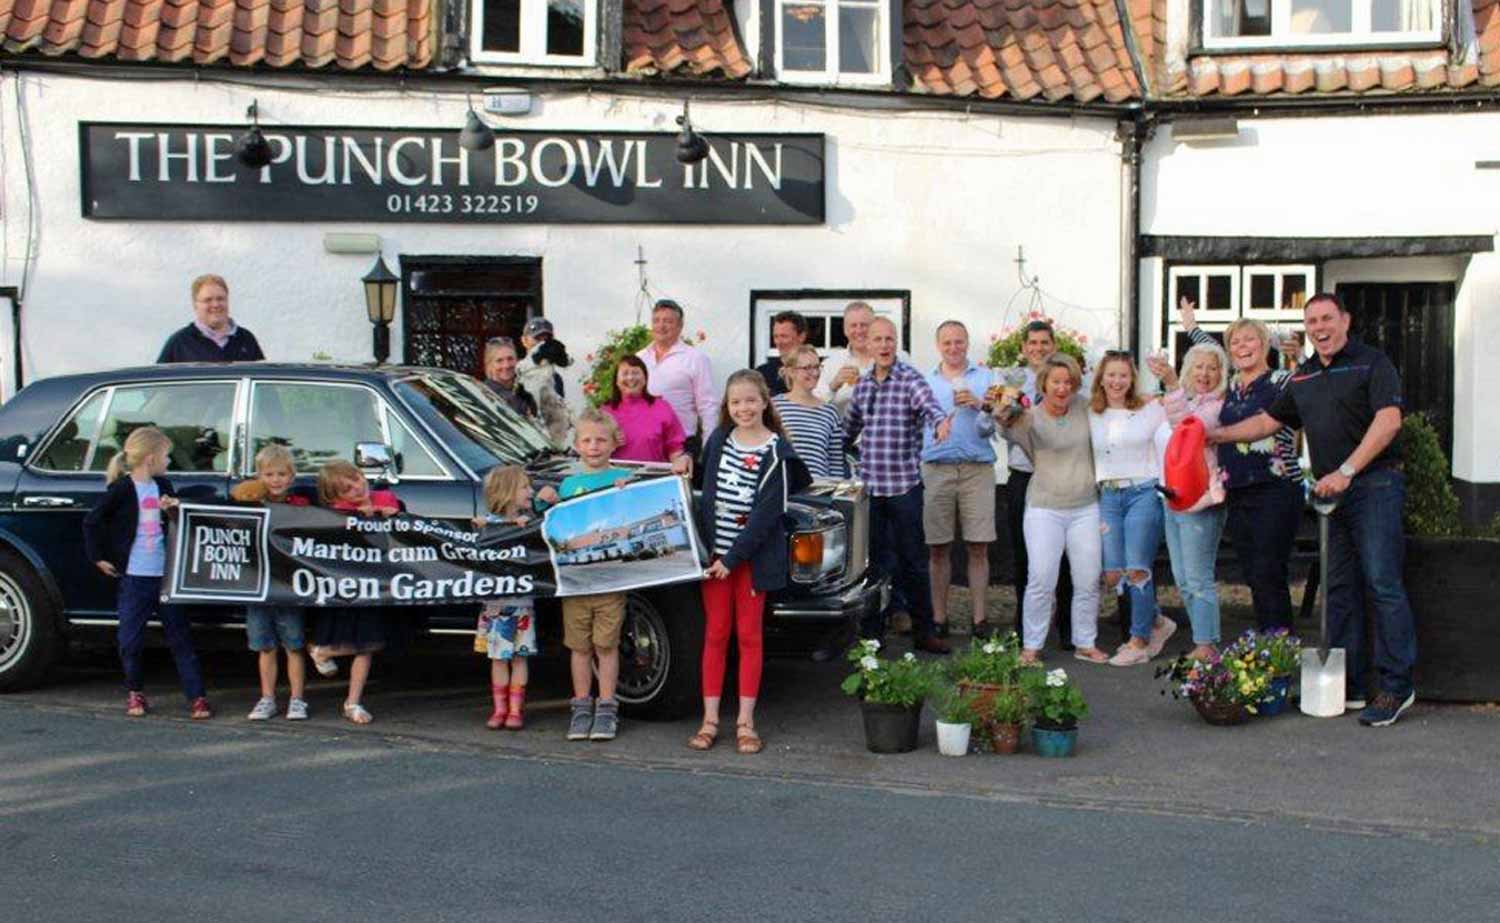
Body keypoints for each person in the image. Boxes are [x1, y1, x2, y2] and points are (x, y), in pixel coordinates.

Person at [1210, 293, 1416, 727]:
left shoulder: (1372, 362)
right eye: (1311, 321)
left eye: (1327, 318)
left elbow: (1389, 421)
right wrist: (1218, 435)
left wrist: (1346, 470)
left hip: (1375, 484)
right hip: (1332, 492)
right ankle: (1353, 684)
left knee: (1382, 582)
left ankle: (1397, 686)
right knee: (1339, 589)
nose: (1320, 327)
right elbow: (1269, 422)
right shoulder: (1302, 377)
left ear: (1345, 320)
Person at [688, 370, 811, 755]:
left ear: (764, 402)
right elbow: (703, 487)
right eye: (736, 402)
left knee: (750, 637)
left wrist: (733, 558)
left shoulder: (776, 451)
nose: (743, 408)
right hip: (715, 559)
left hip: (749, 562)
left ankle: (745, 720)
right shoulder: (719, 440)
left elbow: (766, 515)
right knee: (715, 635)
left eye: (750, 400)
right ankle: (709, 719)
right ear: (728, 406)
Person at [1179, 298, 1304, 631]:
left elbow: (1307, 385)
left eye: (1249, 339)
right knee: (1253, 573)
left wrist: (1300, 355)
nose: (1241, 346)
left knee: (1269, 570)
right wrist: (1191, 327)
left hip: (1276, 489)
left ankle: (1279, 653)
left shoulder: (1282, 381)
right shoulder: (1230, 384)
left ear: (1264, 344)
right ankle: (1269, 648)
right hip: (1239, 491)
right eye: (1235, 341)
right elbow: (1211, 350)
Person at [82, 426, 211, 719]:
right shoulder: (123, 489)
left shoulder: (163, 485)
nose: (169, 462)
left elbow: (175, 521)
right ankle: (135, 691)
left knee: (181, 637)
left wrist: (173, 508)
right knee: (130, 639)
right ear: (151, 458)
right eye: (167, 456)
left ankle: (197, 696)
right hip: (135, 576)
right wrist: (98, 557)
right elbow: (93, 522)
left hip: (165, 576)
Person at [846, 316, 955, 654]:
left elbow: (931, 407)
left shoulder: (910, 379)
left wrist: (940, 424)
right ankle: (873, 635)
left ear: (896, 343)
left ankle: (925, 631)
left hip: (905, 486)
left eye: (889, 339)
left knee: (913, 561)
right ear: (867, 344)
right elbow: (847, 430)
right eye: (877, 339)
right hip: (871, 489)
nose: (883, 345)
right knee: (875, 564)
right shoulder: (863, 387)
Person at [994, 355, 1111, 666]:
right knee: (1041, 579)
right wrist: (1003, 405)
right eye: (1056, 382)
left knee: (1087, 579)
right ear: (1043, 383)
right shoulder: (1029, 416)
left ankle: (1085, 642)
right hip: (1044, 507)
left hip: (1085, 505)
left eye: (1068, 382)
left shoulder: (1085, 408)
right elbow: (1004, 426)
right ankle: (1031, 646)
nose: (1062, 388)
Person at [1088, 352, 1174, 667]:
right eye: (1111, 375)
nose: (1117, 381)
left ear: (1132, 378)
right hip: (1108, 495)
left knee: (1137, 568)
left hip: (1143, 491)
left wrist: (1168, 387)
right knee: (1113, 574)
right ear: (1101, 378)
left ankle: (1138, 640)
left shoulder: (1150, 408)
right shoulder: (1091, 412)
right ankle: (1157, 622)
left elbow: (1180, 417)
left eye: (1123, 375)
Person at [1149, 342, 1230, 662]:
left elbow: (1187, 428)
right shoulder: (1192, 400)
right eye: (1199, 366)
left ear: (1222, 374)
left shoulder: (1217, 406)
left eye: (1212, 368)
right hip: (1175, 496)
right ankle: (1202, 641)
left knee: (1198, 577)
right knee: (1182, 577)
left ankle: (1207, 644)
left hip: (1202, 499)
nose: (1205, 374)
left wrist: (1170, 383)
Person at [557, 408, 635, 742]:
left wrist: (625, 494)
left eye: (601, 440)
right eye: (587, 440)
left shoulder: (622, 481)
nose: (594, 446)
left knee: (606, 645)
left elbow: (633, 521)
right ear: (575, 445)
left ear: (614, 444)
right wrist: (544, 504)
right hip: (576, 582)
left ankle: (607, 707)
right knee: (579, 647)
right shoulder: (568, 485)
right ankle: (581, 707)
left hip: (609, 579)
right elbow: (555, 528)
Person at [307, 460, 401, 725]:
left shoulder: (384, 497)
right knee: (364, 642)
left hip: (377, 584)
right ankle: (324, 651)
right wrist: (363, 518)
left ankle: (353, 701)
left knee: (369, 646)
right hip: (349, 588)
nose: (357, 489)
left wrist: (385, 514)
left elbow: (402, 521)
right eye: (347, 489)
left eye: (357, 480)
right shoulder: (338, 514)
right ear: (336, 497)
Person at [1001, 321, 1076, 648]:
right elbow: (997, 427)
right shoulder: (1012, 383)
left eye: (1044, 342)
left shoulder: (1067, 382)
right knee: (1024, 554)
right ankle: (1025, 628)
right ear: (1023, 347)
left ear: (1054, 344)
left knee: (1064, 556)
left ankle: (1068, 630)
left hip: (1061, 476)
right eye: (1032, 343)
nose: (1038, 348)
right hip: (1023, 475)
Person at [921, 321, 998, 639]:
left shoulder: (986, 378)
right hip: (936, 468)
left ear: (968, 343)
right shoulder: (924, 381)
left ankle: (979, 619)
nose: (954, 348)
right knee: (938, 548)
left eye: (959, 342)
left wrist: (980, 405)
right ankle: (940, 617)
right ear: (938, 345)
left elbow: (992, 427)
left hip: (976, 469)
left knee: (978, 546)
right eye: (948, 343)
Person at [230, 445, 313, 721]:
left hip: (289, 586)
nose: (276, 479)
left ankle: (297, 699)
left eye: (281, 474)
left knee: (294, 644)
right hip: (259, 585)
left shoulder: (300, 506)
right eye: (269, 474)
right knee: (264, 645)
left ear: (291, 476)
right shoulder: (249, 503)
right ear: (259, 475)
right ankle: (267, 698)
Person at [471, 465, 547, 730]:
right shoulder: (486, 525)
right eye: (525, 487)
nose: (531, 491)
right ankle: (499, 708)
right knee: (498, 658)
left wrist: (529, 523)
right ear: (507, 492)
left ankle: (516, 709)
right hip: (494, 605)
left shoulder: (530, 522)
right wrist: (480, 528)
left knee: (519, 656)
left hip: (521, 605)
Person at [637, 299, 716, 462]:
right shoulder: (639, 358)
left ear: (680, 326)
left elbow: (708, 407)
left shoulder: (696, 359)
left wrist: (709, 450)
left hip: (681, 446)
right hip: (645, 444)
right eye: (656, 320)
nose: (661, 326)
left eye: (668, 321)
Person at [603, 355, 692, 476]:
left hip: (654, 479)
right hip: (614, 481)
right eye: (625, 373)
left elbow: (674, 447)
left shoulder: (662, 407)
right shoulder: (605, 412)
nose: (630, 377)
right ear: (616, 381)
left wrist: (681, 465)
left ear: (645, 378)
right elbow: (593, 450)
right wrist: (610, 443)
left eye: (635, 373)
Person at [771, 344, 848, 480]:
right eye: (807, 368)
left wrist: (834, 497)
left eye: (817, 367)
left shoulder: (829, 412)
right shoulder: (774, 407)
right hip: (782, 489)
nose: (815, 373)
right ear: (790, 372)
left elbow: (835, 464)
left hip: (817, 494)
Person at [157, 274, 265, 363]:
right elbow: (159, 385)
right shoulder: (179, 342)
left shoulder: (246, 339)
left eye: (220, 299)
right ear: (195, 304)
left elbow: (262, 383)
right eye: (208, 300)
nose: (215, 305)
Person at [815, 301, 879, 417]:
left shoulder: (895, 358)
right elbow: (813, 405)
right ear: (845, 329)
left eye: (864, 325)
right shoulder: (832, 363)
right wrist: (833, 386)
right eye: (853, 325)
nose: (859, 331)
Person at [519, 317, 572, 445]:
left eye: (547, 340)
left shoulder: (555, 378)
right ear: (524, 341)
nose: (542, 344)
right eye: (537, 339)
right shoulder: (515, 375)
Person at [482, 337, 539, 420]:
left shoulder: (525, 390)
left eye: (510, 359)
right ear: (489, 365)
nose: (506, 365)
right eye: (499, 360)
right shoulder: (484, 395)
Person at [755, 310, 809, 398]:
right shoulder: (761, 374)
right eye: (776, 336)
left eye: (784, 336)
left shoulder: (814, 372)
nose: (778, 342)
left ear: (801, 337)